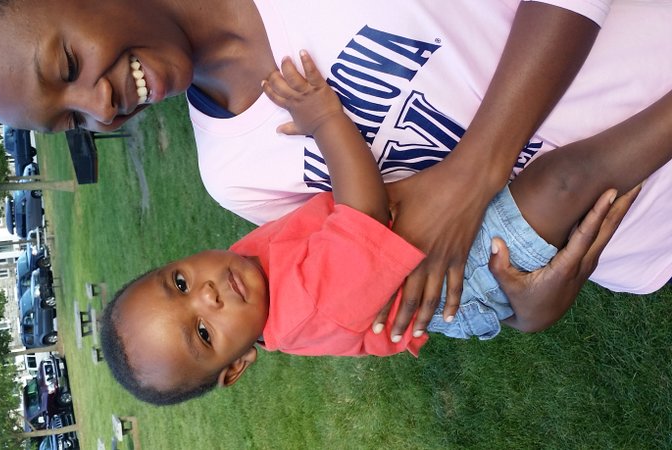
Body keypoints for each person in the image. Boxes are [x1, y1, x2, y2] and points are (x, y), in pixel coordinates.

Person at [0, 0, 672, 343]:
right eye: (70, 120)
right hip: (645, 249)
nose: (100, 107)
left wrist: (475, 171)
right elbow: (403, 278)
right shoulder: (233, 174)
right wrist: (526, 312)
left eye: (67, 64)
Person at [98, 52, 666, 406]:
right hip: (464, 282)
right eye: (203, 334)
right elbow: (364, 213)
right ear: (238, 365)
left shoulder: (245, 273)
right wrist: (323, 119)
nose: (207, 295)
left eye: (178, 283)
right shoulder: (303, 304)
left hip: (419, 266)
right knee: (564, 180)